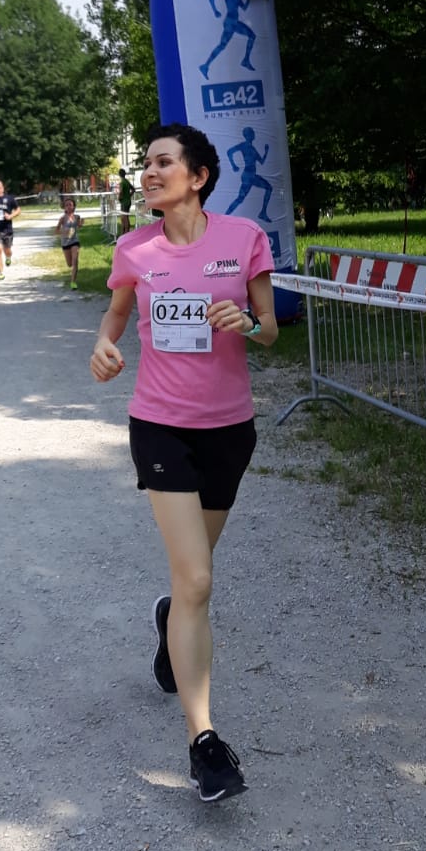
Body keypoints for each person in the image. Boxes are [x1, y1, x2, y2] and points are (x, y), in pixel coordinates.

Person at [90, 123, 277, 803]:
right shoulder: (134, 249)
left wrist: (247, 326)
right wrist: (104, 347)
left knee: (188, 585)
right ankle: (204, 742)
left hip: (229, 432)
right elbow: (114, 318)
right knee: (200, 578)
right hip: (159, 427)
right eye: (146, 163)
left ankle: (170, 615)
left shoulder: (242, 241)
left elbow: (270, 327)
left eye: (164, 162)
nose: (149, 172)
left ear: (197, 176)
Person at [56, 195, 82, 289]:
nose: (69, 206)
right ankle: (72, 278)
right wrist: (64, 232)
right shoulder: (62, 218)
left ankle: (73, 283)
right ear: (64, 207)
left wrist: (81, 223)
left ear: (74, 206)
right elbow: (56, 230)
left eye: (70, 205)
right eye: (66, 205)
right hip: (65, 242)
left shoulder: (77, 217)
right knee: (69, 264)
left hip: (75, 241)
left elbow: (79, 226)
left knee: (75, 261)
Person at [117, 167, 135, 236]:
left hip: (124, 202)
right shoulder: (127, 181)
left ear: (119, 174)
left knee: (124, 217)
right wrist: (129, 196)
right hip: (128, 201)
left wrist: (119, 198)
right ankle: (124, 232)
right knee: (124, 217)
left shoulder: (122, 182)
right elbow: (133, 189)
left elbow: (121, 192)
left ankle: (126, 233)